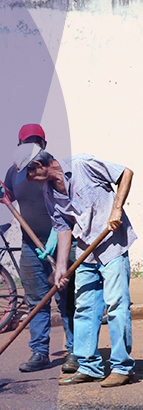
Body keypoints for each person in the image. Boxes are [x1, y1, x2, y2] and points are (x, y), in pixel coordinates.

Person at [14, 143, 136, 387]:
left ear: (38, 165)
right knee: (84, 308)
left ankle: (122, 368)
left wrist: (116, 209)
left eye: (28, 174)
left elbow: (125, 173)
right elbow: (63, 228)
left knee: (116, 305)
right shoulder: (49, 192)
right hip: (85, 251)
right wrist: (60, 268)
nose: (28, 180)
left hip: (112, 245)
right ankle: (89, 366)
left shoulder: (82, 165)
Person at [3, 124, 74, 373]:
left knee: (66, 299)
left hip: (61, 243)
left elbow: (69, 207)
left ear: (44, 145)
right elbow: (8, 195)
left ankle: (74, 352)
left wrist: (57, 235)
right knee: (36, 302)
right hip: (31, 246)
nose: (31, 146)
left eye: (36, 142)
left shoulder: (51, 170)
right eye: (27, 142)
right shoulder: (14, 172)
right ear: (19, 144)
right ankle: (40, 352)